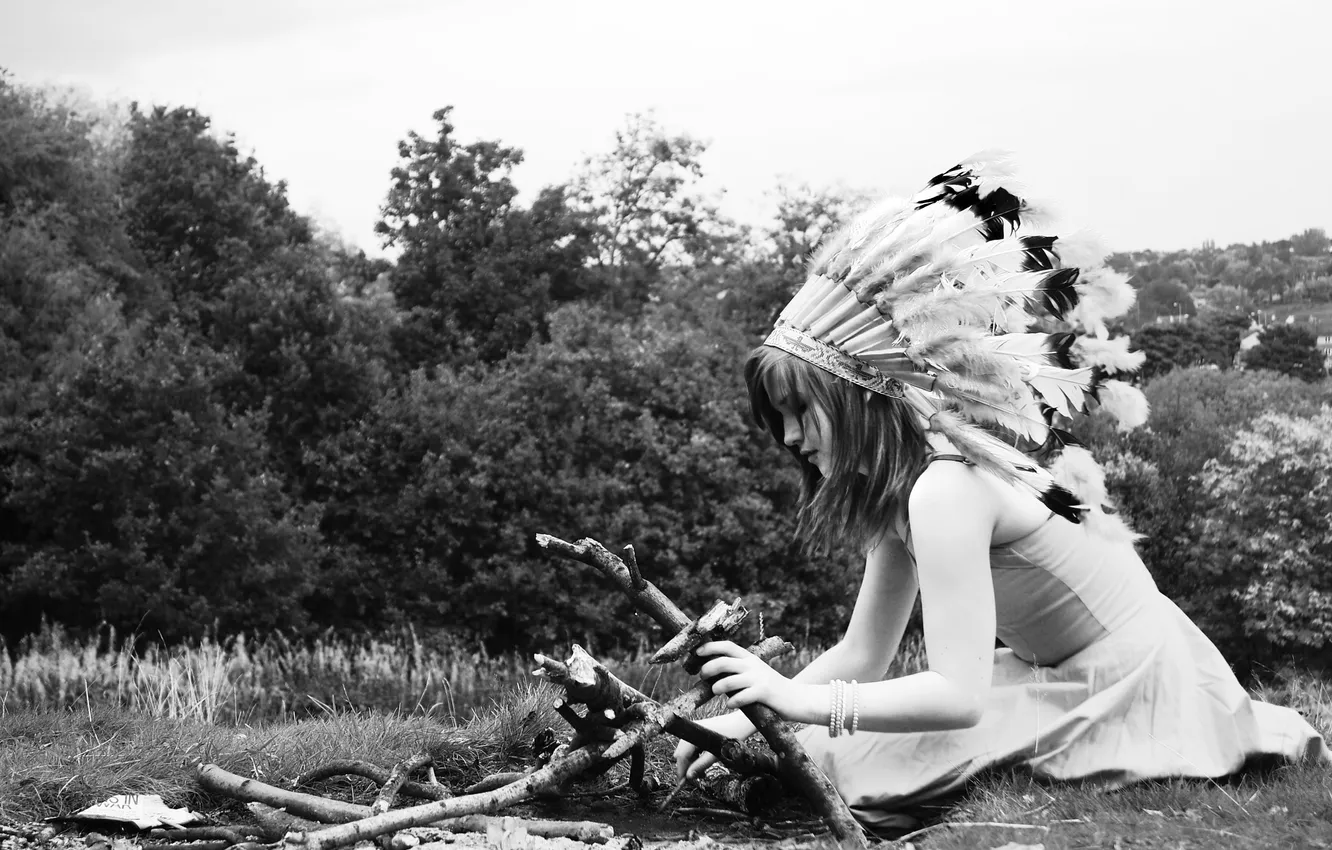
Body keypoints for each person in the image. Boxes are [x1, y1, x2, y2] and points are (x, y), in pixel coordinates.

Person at [672, 153, 1331, 826]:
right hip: (1056, 669)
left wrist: (794, 700)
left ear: (858, 399)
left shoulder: (944, 490)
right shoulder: (899, 492)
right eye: (775, 417)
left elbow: (958, 695)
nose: (787, 437)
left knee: (846, 760)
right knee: (824, 745)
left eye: (798, 411)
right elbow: (862, 655)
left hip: (1133, 681)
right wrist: (744, 723)